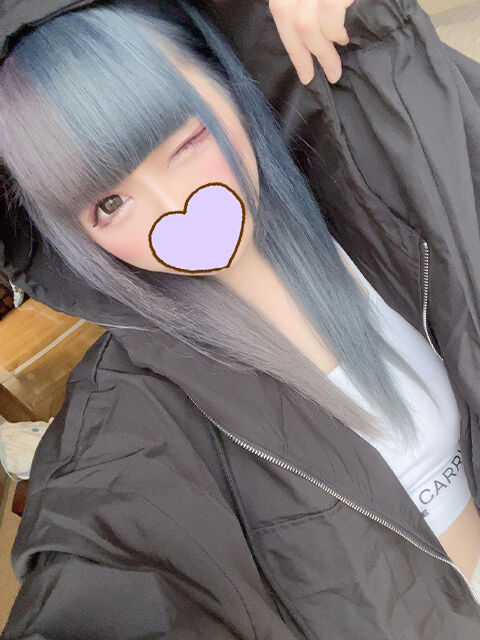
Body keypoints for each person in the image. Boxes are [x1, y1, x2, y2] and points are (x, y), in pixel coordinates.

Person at [1, 0, 480, 637]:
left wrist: (371, 29)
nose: (175, 208)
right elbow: (106, 568)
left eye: (185, 143)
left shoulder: (390, 198)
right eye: (109, 203)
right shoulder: (132, 414)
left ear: (228, 81)